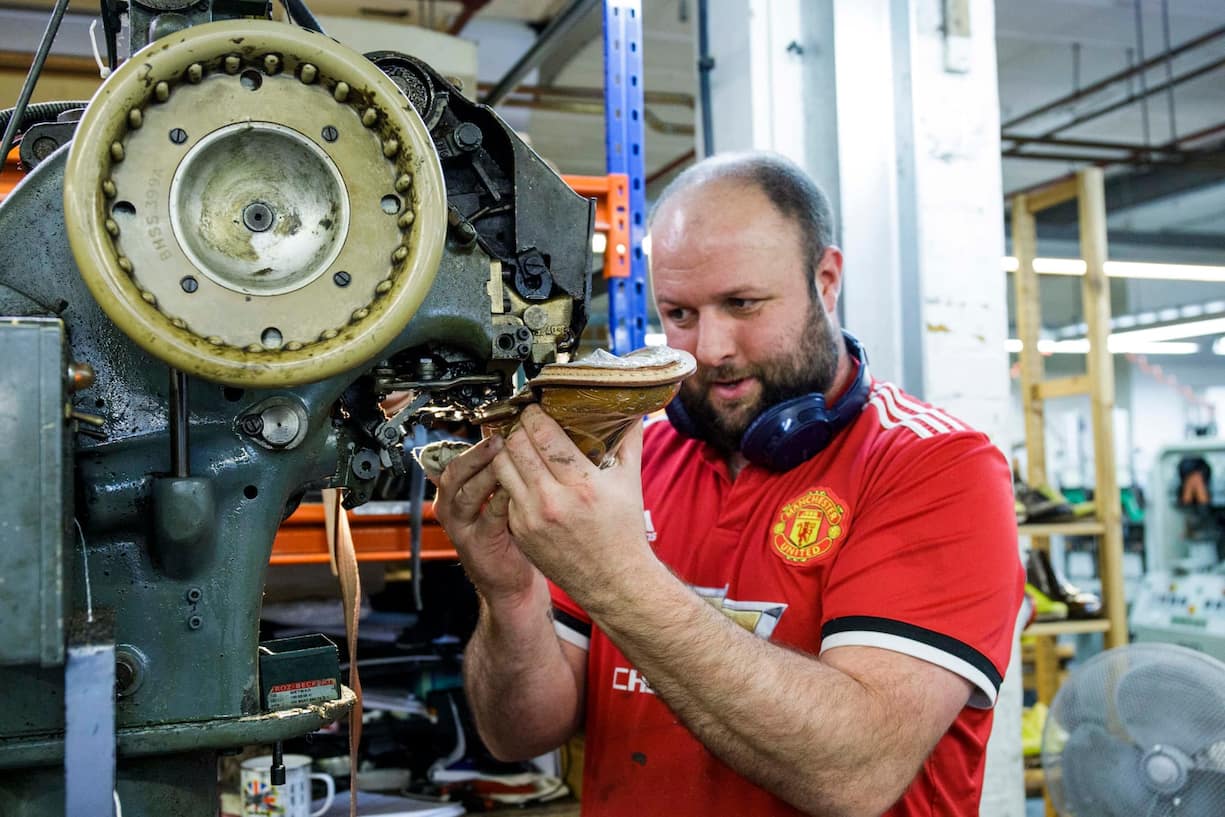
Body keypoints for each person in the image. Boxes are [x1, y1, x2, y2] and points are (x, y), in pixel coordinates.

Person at [431, 152, 1024, 817]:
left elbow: (852, 773)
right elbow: (517, 733)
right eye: (679, 313)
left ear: (825, 281)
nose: (708, 348)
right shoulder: (632, 455)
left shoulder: (935, 466)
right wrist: (508, 593)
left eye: (741, 304)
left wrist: (614, 574)